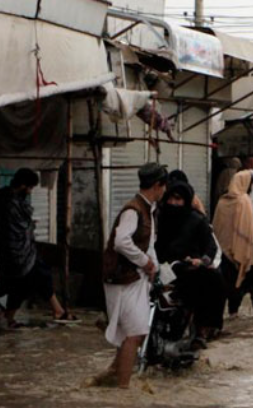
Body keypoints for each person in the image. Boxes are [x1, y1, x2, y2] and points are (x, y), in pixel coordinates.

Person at [97, 163, 166, 389]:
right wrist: (145, 262)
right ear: (157, 185)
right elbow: (120, 242)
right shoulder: (133, 210)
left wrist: (153, 267)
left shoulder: (148, 210)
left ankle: (112, 375)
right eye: (164, 187)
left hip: (135, 279)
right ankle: (123, 390)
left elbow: (150, 244)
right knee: (135, 333)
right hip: (122, 279)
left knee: (135, 332)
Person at [0, 168, 73, 326]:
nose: (30, 192)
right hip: (16, 251)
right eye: (30, 188)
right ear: (23, 185)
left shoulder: (9, 198)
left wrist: (28, 225)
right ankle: (58, 311)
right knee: (40, 274)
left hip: (19, 251)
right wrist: (29, 225)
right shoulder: (9, 202)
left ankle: (9, 317)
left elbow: (21, 223)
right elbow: (16, 226)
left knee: (22, 283)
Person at [156, 180, 226, 344]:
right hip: (162, 267)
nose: (173, 203)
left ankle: (202, 330)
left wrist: (201, 261)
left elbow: (210, 246)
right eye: (170, 198)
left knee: (214, 279)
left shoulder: (197, 220)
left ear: (186, 201)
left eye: (178, 199)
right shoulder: (159, 218)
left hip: (190, 268)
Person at [213, 170, 253, 323]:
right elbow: (249, 228)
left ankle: (227, 318)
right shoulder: (244, 201)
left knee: (225, 286)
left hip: (225, 251)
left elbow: (217, 228)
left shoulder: (222, 202)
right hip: (249, 251)